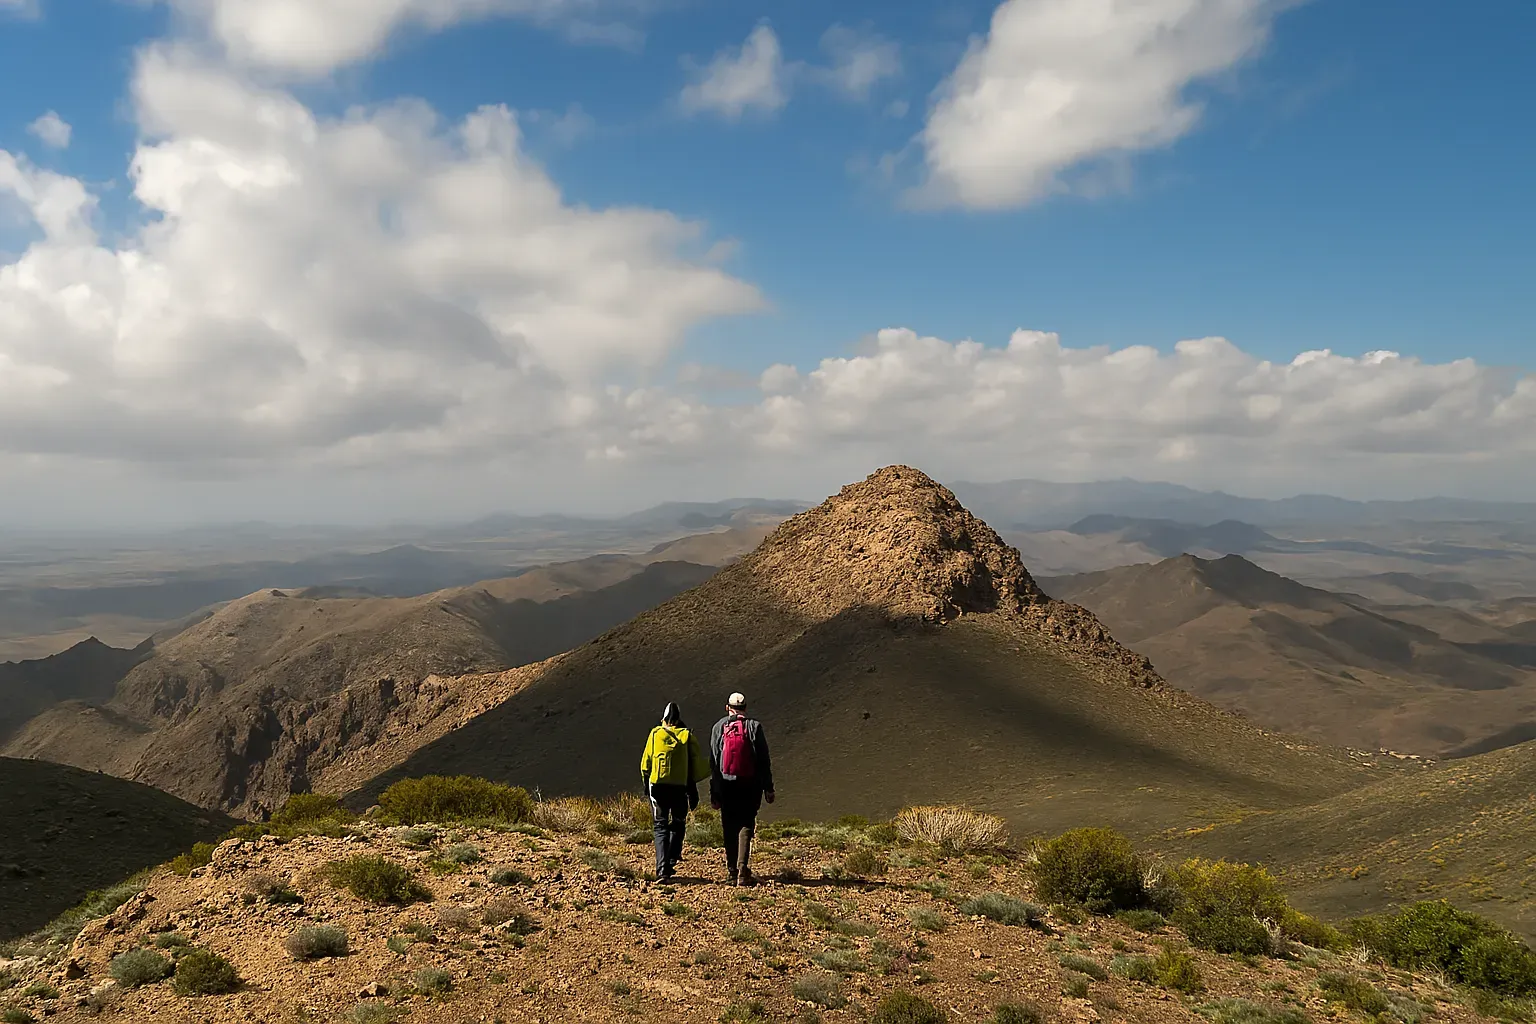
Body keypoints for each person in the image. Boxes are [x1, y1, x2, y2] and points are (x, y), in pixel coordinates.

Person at [710, 691, 775, 886]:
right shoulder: (754, 727)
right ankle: (742, 869)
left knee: (729, 825)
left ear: (727, 707)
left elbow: (713, 763)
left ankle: (731, 870)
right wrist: (768, 788)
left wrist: (714, 792)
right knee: (746, 823)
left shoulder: (718, 727)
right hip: (750, 784)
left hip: (726, 783)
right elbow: (764, 760)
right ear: (745, 708)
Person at [639, 702, 710, 881]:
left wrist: (645, 784)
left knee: (660, 825)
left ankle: (662, 870)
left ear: (663, 719)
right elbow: (697, 767)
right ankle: (671, 859)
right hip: (679, 787)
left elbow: (645, 763)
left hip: (658, 786)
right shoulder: (687, 737)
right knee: (678, 822)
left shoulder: (655, 734)